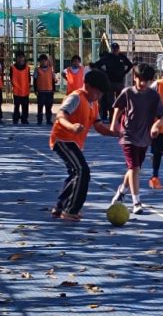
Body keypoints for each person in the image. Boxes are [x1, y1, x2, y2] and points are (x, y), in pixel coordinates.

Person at [48, 70, 119, 222]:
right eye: (97, 92)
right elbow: (60, 115)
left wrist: (113, 133)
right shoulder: (76, 97)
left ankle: (60, 207)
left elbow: (98, 126)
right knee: (82, 171)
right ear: (87, 85)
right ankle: (70, 210)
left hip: (75, 143)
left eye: (101, 94)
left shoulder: (94, 103)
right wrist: (71, 127)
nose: (99, 96)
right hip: (63, 139)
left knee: (75, 174)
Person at [111, 63, 163, 215]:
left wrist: (156, 125)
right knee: (134, 168)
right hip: (127, 135)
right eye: (140, 79)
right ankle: (136, 202)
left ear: (151, 81)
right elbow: (118, 107)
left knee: (134, 168)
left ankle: (122, 190)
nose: (142, 83)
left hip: (144, 137)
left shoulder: (154, 96)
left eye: (146, 80)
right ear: (134, 77)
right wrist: (114, 122)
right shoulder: (128, 92)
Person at [93, 42, 134, 121]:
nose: (115, 50)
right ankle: (112, 118)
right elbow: (97, 65)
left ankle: (119, 118)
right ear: (111, 49)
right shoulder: (108, 57)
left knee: (121, 101)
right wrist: (105, 72)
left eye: (116, 49)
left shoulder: (122, 57)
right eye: (113, 49)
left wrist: (124, 73)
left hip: (120, 82)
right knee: (110, 101)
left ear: (118, 49)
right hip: (110, 82)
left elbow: (130, 65)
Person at [34, 54, 58, 125]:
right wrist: (35, 90)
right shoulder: (37, 69)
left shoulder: (51, 69)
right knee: (40, 106)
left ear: (47, 61)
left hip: (49, 91)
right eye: (42, 61)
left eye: (45, 61)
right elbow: (35, 80)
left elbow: (53, 80)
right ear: (39, 62)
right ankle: (39, 120)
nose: (43, 62)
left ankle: (48, 120)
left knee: (49, 107)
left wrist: (53, 89)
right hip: (40, 91)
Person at [10, 51, 31, 125]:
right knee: (17, 106)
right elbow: (11, 78)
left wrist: (28, 87)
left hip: (25, 90)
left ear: (24, 58)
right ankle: (15, 118)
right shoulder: (12, 67)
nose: (20, 59)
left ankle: (24, 119)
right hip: (17, 91)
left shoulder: (27, 68)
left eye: (22, 57)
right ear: (16, 58)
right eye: (19, 57)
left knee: (25, 106)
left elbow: (29, 79)